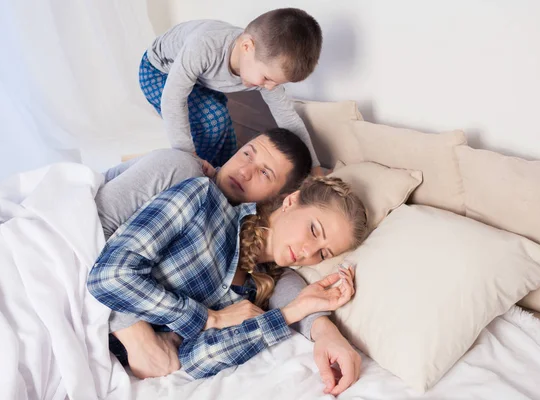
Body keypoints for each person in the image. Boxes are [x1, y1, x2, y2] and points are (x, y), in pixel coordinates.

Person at [94, 129, 364, 395]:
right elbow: (107, 274)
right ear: (290, 200)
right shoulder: (201, 198)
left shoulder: (255, 292)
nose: (309, 252)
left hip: (97, 363)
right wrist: (208, 318)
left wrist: (292, 313)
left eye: (324, 254)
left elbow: (196, 360)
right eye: (314, 231)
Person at [139, 7, 324, 174]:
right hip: (159, 71)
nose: (269, 87)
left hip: (199, 80)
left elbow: (288, 118)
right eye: (267, 78)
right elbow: (173, 100)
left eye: (276, 83)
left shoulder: (261, 64)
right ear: (246, 47)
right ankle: (199, 172)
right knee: (212, 120)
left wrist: (314, 167)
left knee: (224, 124)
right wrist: (189, 158)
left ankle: (223, 171)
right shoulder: (204, 47)